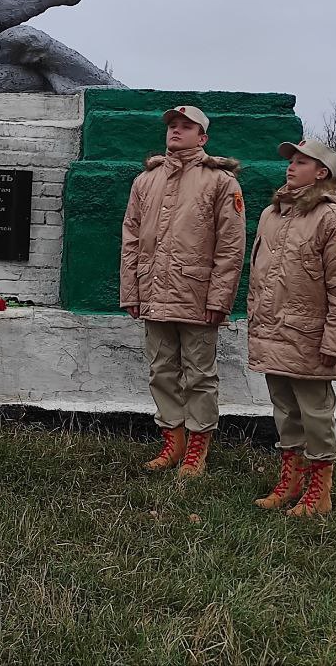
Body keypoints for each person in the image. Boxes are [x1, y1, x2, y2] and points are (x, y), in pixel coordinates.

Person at [119, 106, 246, 478]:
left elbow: (230, 246)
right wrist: (132, 291)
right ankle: (172, 442)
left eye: (186, 126)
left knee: (199, 374)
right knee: (161, 370)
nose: (176, 130)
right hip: (153, 292)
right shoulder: (146, 180)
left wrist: (220, 299)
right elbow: (131, 236)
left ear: (202, 137)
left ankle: (197, 447)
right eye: (172, 125)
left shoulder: (221, 182)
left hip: (196, 295)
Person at [248, 138, 336, 516]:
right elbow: (259, 276)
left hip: (309, 336)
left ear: (322, 172)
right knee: (284, 409)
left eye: (300, 162)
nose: (290, 167)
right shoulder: (271, 214)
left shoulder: (333, 220)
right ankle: (291, 480)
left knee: (315, 413)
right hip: (272, 331)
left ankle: (319, 491)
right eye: (290, 162)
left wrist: (335, 339)